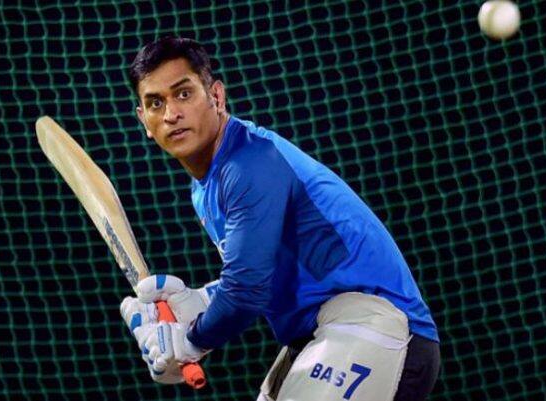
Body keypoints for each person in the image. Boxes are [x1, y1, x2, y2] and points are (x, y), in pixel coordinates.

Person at [119, 36, 440, 401]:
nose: (171, 114)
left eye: (183, 94)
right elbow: (269, 271)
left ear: (216, 96)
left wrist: (190, 341)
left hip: (377, 323)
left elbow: (247, 291)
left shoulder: (248, 165)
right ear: (144, 121)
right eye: (156, 103)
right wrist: (200, 303)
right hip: (318, 334)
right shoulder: (206, 185)